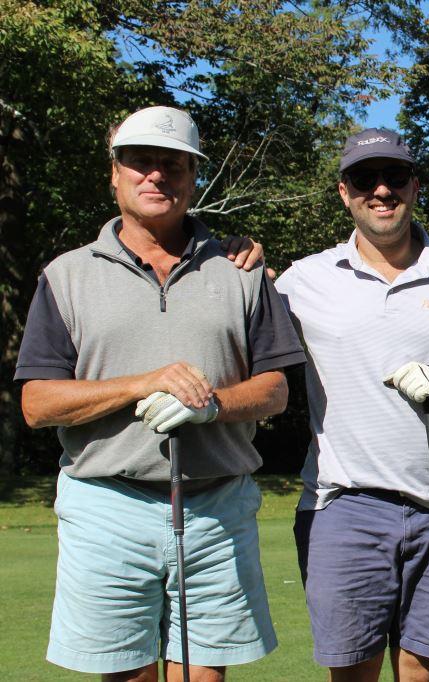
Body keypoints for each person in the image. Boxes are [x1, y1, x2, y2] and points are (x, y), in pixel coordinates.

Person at [15, 105, 306, 681]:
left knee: (203, 674)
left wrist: (210, 406)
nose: (156, 175)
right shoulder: (66, 275)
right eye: (140, 161)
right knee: (127, 673)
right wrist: (143, 383)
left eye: (173, 165)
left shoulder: (241, 269)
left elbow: (275, 390)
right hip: (106, 504)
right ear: (114, 173)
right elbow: (37, 404)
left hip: (216, 506)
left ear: (194, 177)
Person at [275, 128, 429, 681]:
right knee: (352, 671)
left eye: (395, 176)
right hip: (342, 503)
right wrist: (232, 258)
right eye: (366, 178)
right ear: (344, 192)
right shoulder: (304, 279)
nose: (382, 189)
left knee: (422, 671)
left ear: (415, 186)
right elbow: (245, 328)